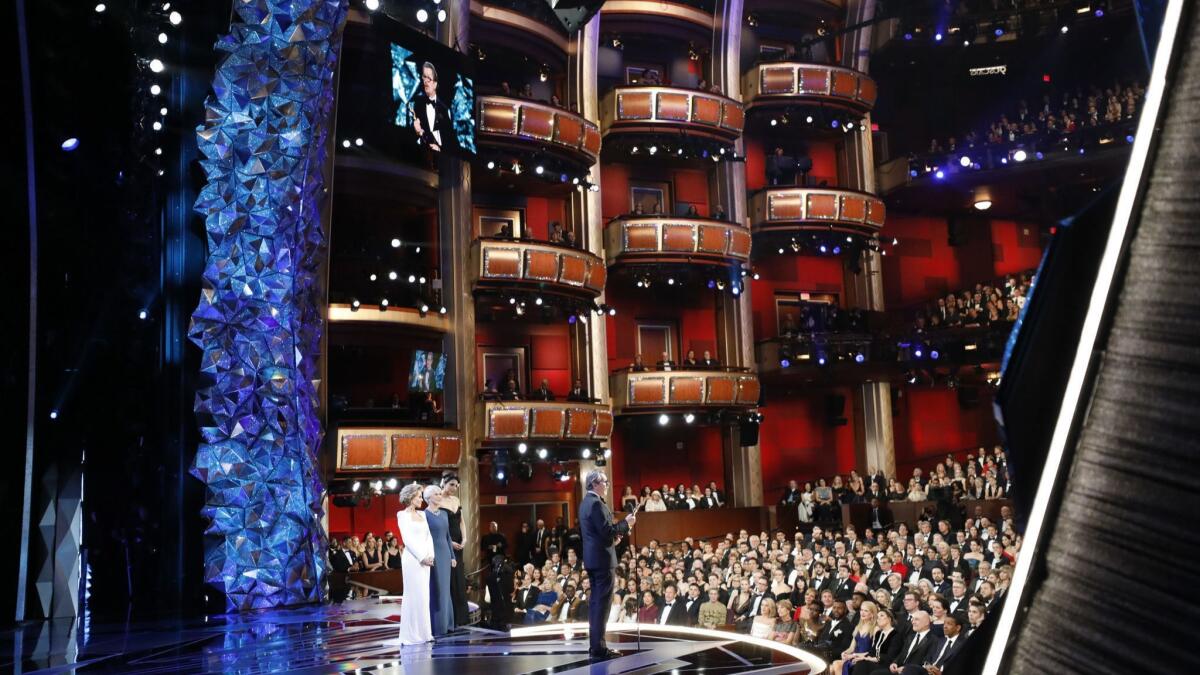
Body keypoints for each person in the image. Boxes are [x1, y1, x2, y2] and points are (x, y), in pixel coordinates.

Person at [579, 469, 636, 660]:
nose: (607, 485)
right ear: (595, 483)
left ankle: (596, 646)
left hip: (593, 559)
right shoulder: (595, 504)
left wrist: (613, 540)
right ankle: (599, 649)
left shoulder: (585, 503)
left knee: (596, 603)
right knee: (602, 605)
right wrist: (626, 523)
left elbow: (599, 534)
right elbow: (606, 531)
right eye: (605, 482)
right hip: (602, 560)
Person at [396, 483, 434, 646]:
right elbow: (407, 540)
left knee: (424, 596)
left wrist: (430, 555)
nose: (421, 500)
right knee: (413, 595)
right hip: (412, 560)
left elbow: (429, 537)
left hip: (426, 560)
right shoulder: (402, 515)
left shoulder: (423, 515)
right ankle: (411, 635)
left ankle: (425, 633)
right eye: (419, 497)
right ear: (411, 497)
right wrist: (421, 557)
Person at [423, 484, 456, 636]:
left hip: (445, 554)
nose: (439, 495)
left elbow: (448, 536)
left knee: (446, 589)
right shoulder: (424, 515)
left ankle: (448, 623)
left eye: (439, 493)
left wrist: (453, 556)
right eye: (436, 494)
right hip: (433, 554)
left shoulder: (444, 514)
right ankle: (438, 626)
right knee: (437, 589)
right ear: (428, 498)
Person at [440, 474, 470, 626]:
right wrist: (449, 542)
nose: (454, 488)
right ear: (444, 483)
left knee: (459, 578)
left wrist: (464, 538)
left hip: (459, 544)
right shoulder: (437, 500)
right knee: (450, 580)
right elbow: (438, 527)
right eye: (452, 484)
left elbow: (462, 522)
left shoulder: (456, 500)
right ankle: (451, 618)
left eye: (456, 486)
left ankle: (462, 618)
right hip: (445, 545)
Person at [410, 61, 455, 152]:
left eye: (429, 78)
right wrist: (417, 132)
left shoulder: (445, 109)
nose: (425, 81)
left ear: (435, 84)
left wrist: (439, 149)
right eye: (424, 77)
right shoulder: (417, 103)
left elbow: (450, 142)